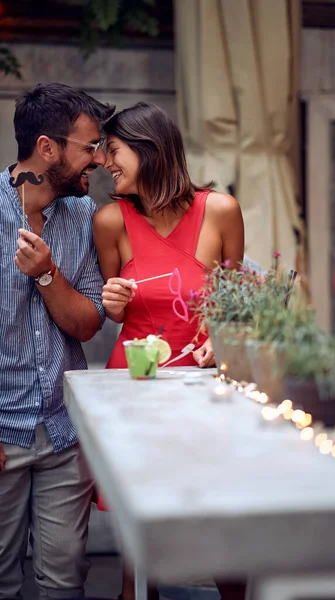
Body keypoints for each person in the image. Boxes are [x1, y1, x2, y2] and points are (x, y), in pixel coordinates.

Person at [93, 102, 245, 600]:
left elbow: (234, 306)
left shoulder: (220, 210)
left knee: (220, 511)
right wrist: (112, 300)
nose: (104, 161)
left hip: (205, 391)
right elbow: (116, 310)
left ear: (148, 148)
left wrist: (215, 339)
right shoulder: (110, 220)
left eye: (112, 150)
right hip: (136, 388)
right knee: (141, 535)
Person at [0, 82, 115, 599]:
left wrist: (47, 275)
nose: (99, 158)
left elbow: (89, 323)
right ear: (47, 148)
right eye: (89, 147)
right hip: (1, 431)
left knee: (64, 582)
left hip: (63, 433)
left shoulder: (84, 217)